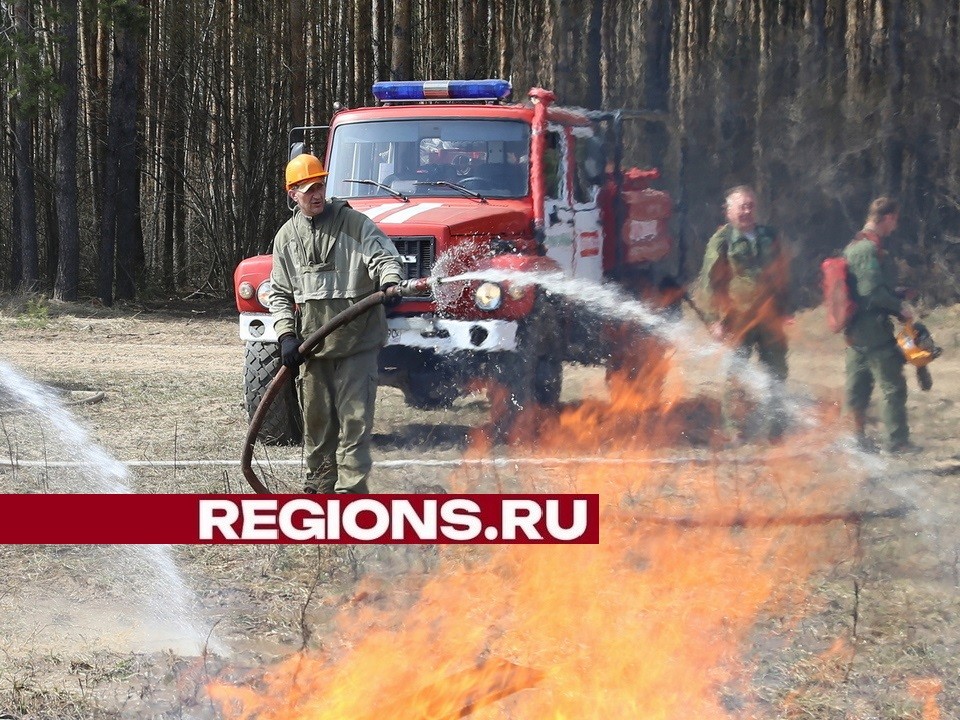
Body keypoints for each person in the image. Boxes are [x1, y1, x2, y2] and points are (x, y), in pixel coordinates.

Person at [268, 153, 403, 493]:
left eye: (320, 186)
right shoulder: (286, 237)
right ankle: (319, 493)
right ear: (292, 194)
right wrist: (286, 335)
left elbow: (384, 257)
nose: (316, 194)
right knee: (317, 428)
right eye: (308, 189)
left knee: (355, 425)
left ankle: (351, 499)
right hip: (313, 350)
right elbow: (280, 292)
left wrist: (389, 281)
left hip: (357, 345)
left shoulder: (355, 224)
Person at [697, 185, 791, 442]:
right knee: (736, 374)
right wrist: (713, 320)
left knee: (777, 371)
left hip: (769, 317)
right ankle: (735, 429)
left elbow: (781, 274)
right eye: (741, 206)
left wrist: (784, 309)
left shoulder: (769, 236)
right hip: (737, 319)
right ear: (728, 211)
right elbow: (709, 282)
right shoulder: (722, 240)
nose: (747, 211)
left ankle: (776, 429)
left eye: (750, 205)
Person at [843, 196, 918, 454]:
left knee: (858, 387)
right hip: (871, 330)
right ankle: (897, 442)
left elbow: (869, 289)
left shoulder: (856, 245)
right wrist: (900, 307)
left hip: (855, 331)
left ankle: (854, 440)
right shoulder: (866, 249)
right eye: (894, 220)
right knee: (892, 385)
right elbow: (872, 292)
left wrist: (895, 294)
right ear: (888, 218)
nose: (894, 227)